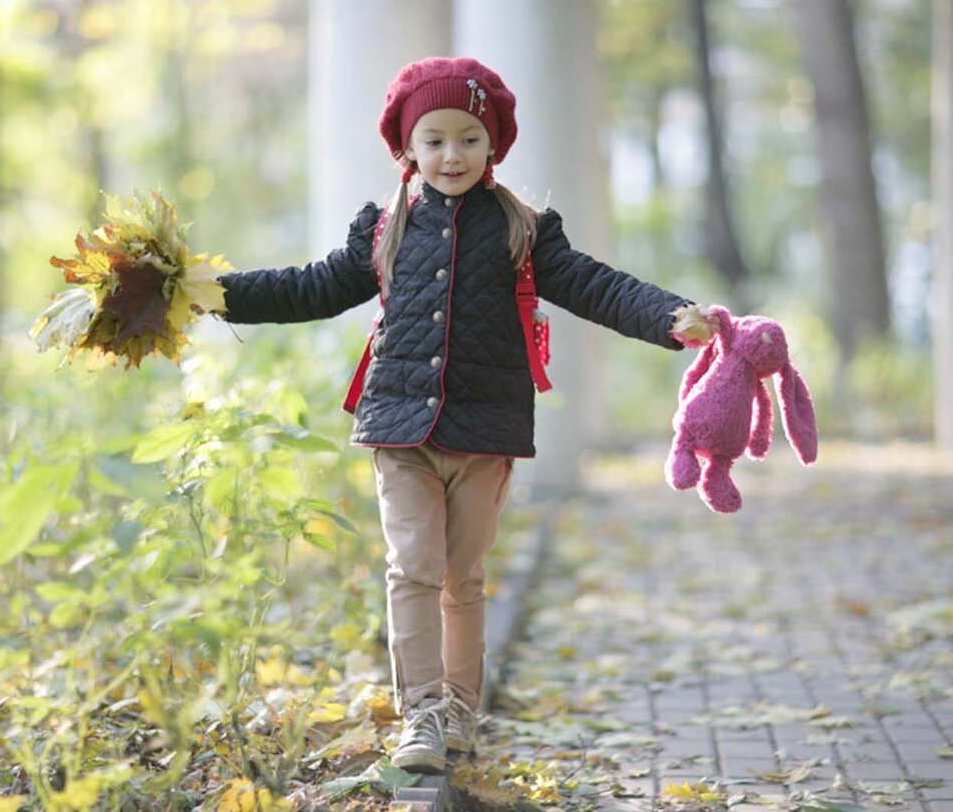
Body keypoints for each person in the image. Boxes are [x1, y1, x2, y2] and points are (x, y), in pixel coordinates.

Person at [217, 56, 706, 774]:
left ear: (493, 145)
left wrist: (671, 316)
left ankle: (460, 711)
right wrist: (217, 293)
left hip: (484, 430)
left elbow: (596, 286)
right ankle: (420, 712)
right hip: (400, 430)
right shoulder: (384, 228)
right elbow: (310, 288)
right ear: (408, 147)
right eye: (436, 139)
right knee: (411, 566)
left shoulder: (524, 229)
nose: (453, 155)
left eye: (470, 139)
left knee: (463, 576)